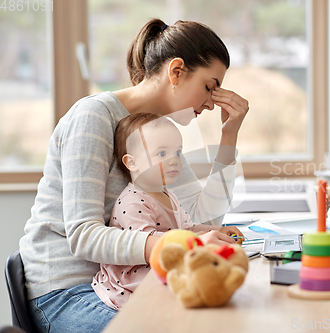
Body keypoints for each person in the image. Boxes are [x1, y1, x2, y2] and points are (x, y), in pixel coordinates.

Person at [20, 18, 249, 333]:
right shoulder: (94, 117)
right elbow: (83, 237)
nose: (211, 103)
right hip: (68, 290)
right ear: (176, 71)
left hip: (128, 284)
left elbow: (204, 218)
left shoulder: (160, 135)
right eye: (209, 87)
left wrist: (229, 136)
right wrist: (185, 243)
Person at [92, 113, 241, 310]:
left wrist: (216, 230)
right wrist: (198, 242)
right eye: (162, 154)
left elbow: (186, 228)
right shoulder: (133, 201)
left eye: (178, 152)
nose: (174, 160)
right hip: (130, 283)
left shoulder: (167, 193)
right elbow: (148, 245)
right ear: (132, 163)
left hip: (159, 266)